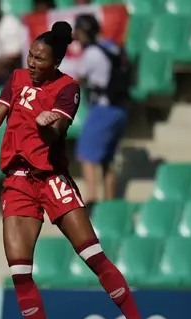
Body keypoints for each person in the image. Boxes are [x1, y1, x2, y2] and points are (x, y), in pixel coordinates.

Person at [0, 22, 155, 319]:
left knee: (93, 255)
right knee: (19, 272)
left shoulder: (68, 89)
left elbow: (55, 133)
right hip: (17, 181)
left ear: (57, 62)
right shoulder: (16, 79)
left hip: (52, 179)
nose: (32, 62)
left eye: (40, 58)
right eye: (31, 55)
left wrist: (47, 124)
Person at [74, 14, 130, 207]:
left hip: (103, 109)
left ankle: (92, 198)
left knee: (86, 154)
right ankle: (110, 201)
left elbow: (79, 78)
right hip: (120, 110)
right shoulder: (113, 47)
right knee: (107, 159)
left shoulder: (92, 53)